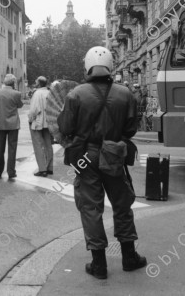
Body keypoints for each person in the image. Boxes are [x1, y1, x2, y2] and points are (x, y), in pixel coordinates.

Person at [58, 46, 147, 280]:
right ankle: (129, 257)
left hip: (86, 157)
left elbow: (65, 128)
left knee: (90, 208)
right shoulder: (125, 93)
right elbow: (130, 128)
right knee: (122, 204)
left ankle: (99, 265)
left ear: (87, 66)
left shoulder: (75, 94)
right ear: (109, 65)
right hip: (114, 154)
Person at [0, 74, 24, 179]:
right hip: (13, 124)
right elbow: (20, 105)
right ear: (13, 83)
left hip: (0, 123)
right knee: (12, 149)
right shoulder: (17, 94)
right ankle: (11, 172)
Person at [28, 76, 53, 177]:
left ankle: (42, 169)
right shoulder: (49, 92)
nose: (35, 83)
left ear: (39, 84)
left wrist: (30, 119)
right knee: (48, 145)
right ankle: (50, 167)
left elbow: (34, 110)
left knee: (38, 146)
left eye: (35, 82)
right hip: (49, 122)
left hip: (38, 122)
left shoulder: (37, 93)